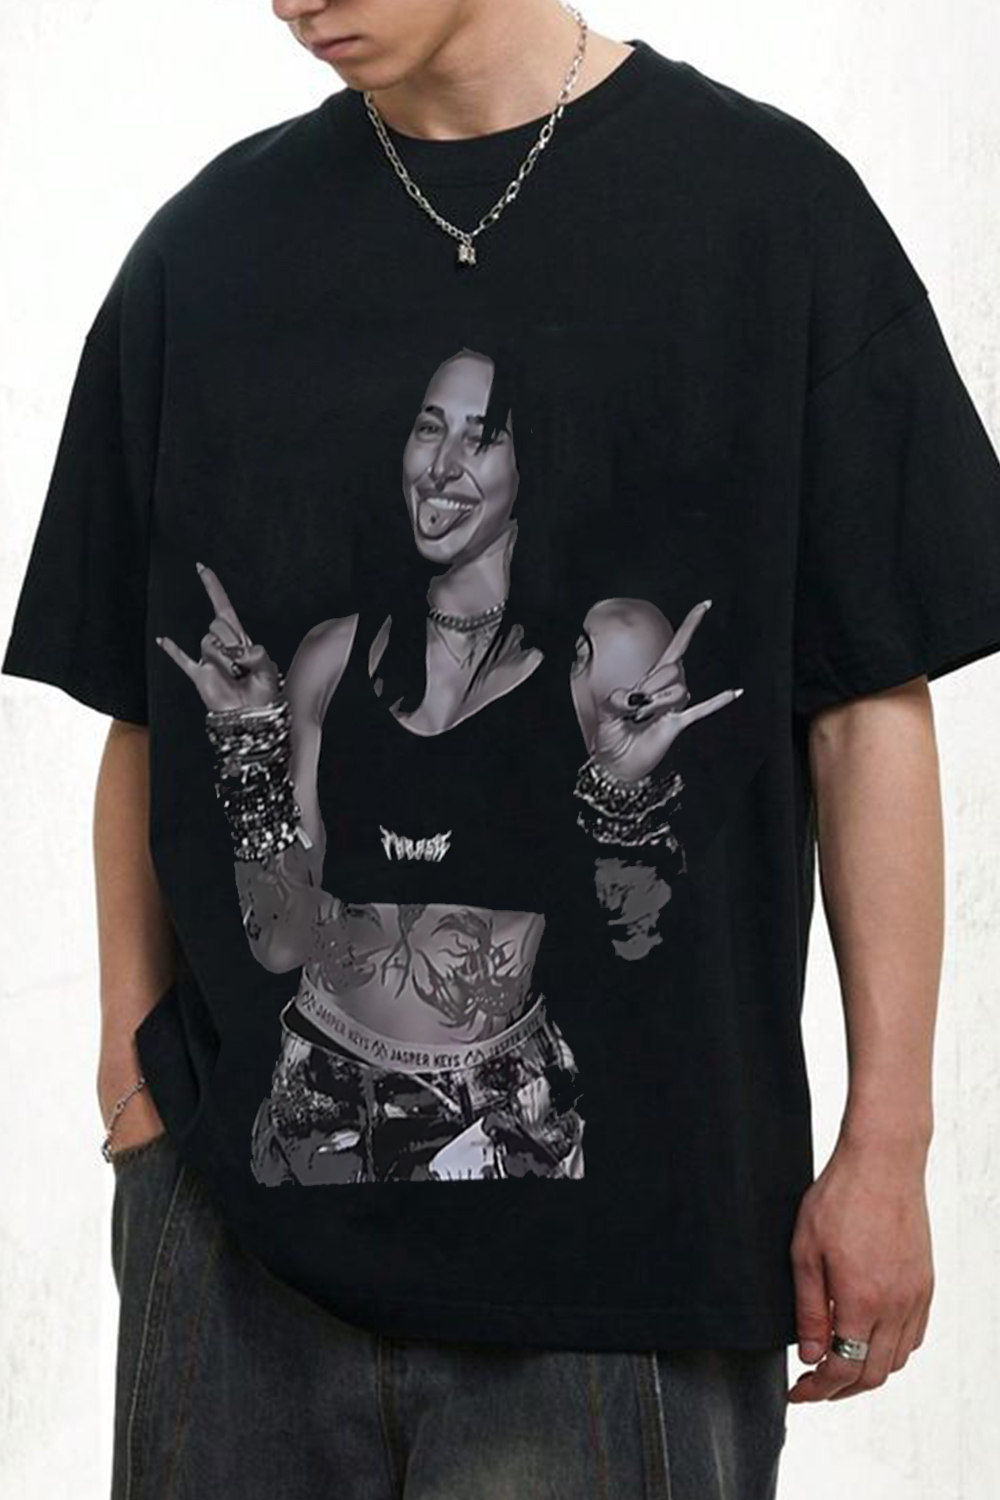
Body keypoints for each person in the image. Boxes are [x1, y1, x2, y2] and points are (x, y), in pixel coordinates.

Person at [4, 1, 1000, 1495]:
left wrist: (890, 1147)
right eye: (429, 430)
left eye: (481, 437)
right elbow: (146, 732)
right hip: (247, 1255)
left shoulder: (769, 220)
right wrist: (134, 1103)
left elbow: (867, 709)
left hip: (617, 1281)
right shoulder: (203, 260)